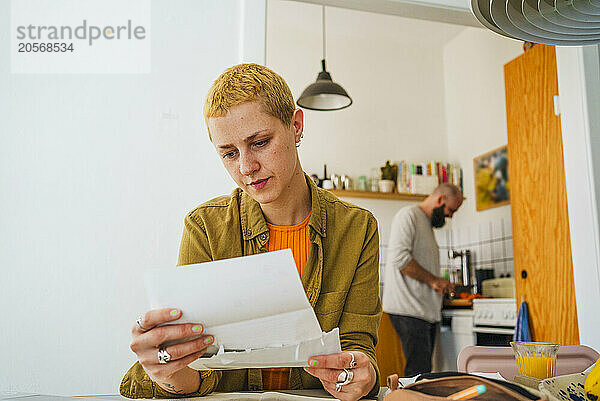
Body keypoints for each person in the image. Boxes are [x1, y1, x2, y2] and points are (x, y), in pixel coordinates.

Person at [119, 63, 382, 400]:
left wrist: (362, 374)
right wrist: (167, 372)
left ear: (296, 126)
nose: (245, 167)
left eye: (259, 142)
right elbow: (195, 371)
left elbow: (359, 347)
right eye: (229, 153)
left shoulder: (358, 229)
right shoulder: (205, 229)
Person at [382, 184, 463, 377]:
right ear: (440, 199)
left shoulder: (425, 224)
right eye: (450, 210)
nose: (451, 216)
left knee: (423, 372)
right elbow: (401, 260)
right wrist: (435, 281)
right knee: (418, 374)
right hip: (409, 309)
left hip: (422, 311)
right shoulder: (408, 216)